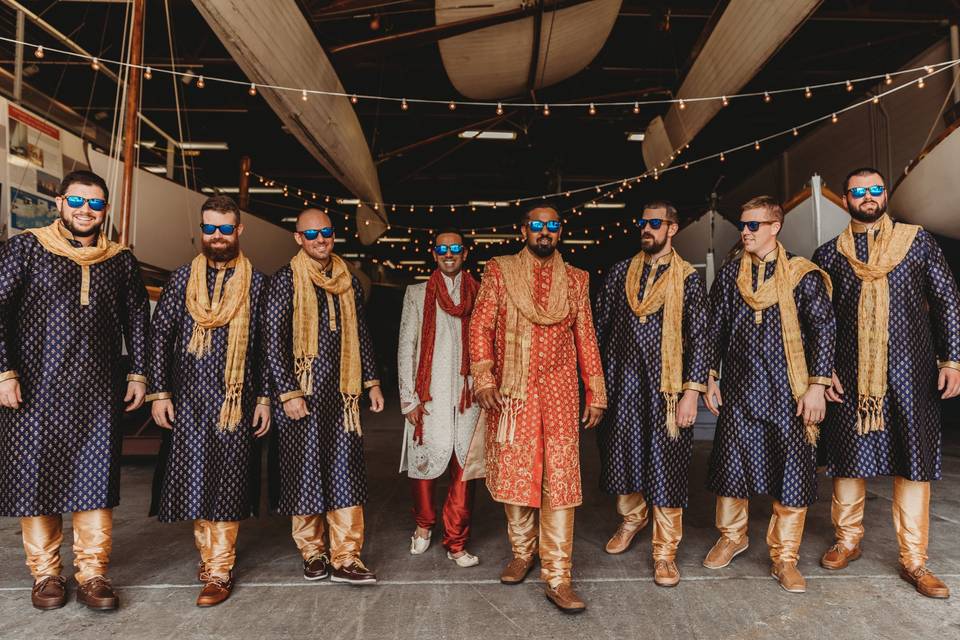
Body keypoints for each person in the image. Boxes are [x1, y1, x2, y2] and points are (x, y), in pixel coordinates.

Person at [0, 170, 149, 610]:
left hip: (98, 392)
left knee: (95, 483)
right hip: (35, 389)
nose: (86, 210)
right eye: (78, 201)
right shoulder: (27, 248)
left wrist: (139, 374)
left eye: (96, 203)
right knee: (37, 479)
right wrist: (4, 372)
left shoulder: (119, 259)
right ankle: (46, 576)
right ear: (60, 203)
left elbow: (137, 318)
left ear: (104, 209)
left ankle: (92, 574)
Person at [812, 167, 960, 599]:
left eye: (876, 189)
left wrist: (952, 360)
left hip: (912, 373)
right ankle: (848, 541)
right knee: (847, 460)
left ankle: (914, 560)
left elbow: (948, 301)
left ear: (885, 194)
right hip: (850, 375)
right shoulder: (830, 254)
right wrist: (825, 371)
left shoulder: (918, 242)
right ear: (846, 200)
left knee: (913, 464)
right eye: (859, 191)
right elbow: (820, 322)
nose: (868, 196)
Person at [469, 202, 606, 613]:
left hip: (561, 393)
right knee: (517, 475)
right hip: (514, 392)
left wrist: (595, 391)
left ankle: (559, 576)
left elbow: (586, 336)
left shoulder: (578, 280)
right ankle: (523, 551)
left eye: (551, 226)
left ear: (559, 232)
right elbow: (481, 325)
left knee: (560, 482)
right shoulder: (498, 270)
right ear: (523, 229)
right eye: (537, 225)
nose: (544, 232)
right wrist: (484, 379)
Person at [703, 196, 835, 594]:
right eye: (743, 226)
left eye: (753, 225)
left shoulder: (802, 275)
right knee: (732, 470)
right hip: (741, 392)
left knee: (792, 475)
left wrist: (817, 387)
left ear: (775, 227)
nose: (745, 232)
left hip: (789, 392)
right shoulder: (730, 276)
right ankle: (732, 536)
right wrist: (710, 377)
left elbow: (825, 330)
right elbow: (714, 330)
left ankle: (785, 557)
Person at [147, 195, 271, 606]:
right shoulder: (182, 279)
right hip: (188, 401)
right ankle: (209, 557)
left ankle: (220, 568)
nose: (217, 236)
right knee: (195, 480)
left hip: (235, 401)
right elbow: (159, 338)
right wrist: (160, 393)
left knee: (229, 483)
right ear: (202, 230)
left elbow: (271, 346)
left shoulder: (259, 283)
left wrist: (265, 398)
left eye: (225, 228)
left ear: (239, 230)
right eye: (210, 228)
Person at [263, 208, 384, 585]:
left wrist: (372, 382)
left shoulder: (347, 278)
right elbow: (272, 340)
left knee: (346, 474)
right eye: (311, 234)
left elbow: (361, 333)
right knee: (305, 474)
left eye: (326, 233)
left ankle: (346, 557)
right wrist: (288, 392)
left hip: (342, 398)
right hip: (302, 395)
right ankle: (313, 553)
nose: (320, 240)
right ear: (298, 238)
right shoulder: (286, 279)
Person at [593, 200, 709, 587]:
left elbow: (701, 339)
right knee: (620, 458)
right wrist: (596, 386)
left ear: (672, 228)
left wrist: (692, 392)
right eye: (643, 223)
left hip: (668, 390)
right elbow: (599, 330)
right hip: (623, 385)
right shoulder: (618, 273)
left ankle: (664, 553)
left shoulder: (689, 279)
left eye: (655, 223)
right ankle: (632, 518)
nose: (646, 228)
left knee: (667, 467)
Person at [397, 227, 481, 567]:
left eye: (455, 249)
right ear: (434, 254)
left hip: (469, 396)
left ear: (464, 254)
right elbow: (407, 346)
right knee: (424, 467)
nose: (449, 254)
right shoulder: (418, 294)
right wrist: (408, 397)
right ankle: (422, 526)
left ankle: (456, 541)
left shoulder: (481, 293)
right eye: (442, 249)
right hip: (427, 395)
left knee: (464, 470)